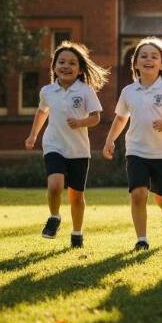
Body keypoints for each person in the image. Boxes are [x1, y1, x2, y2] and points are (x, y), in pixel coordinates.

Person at [103, 37, 162, 251]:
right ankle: (142, 240)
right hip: (136, 151)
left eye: (154, 56)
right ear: (135, 63)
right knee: (138, 194)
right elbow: (121, 118)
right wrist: (110, 139)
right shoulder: (128, 91)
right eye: (143, 56)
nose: (148, 59)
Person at [25, 41, 108, 248]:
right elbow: (42, 112)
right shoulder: (47, 91)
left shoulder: (85, 91)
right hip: (54, 144)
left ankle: (77, 233)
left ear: (79, 70)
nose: (66, 66)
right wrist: (33, 135)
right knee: (55, 185)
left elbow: (96, 117)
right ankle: (54, 217)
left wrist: (81, 122)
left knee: (76, 197)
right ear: (53, 67)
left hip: (78, 150)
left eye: (72, 63)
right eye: (61, 62)